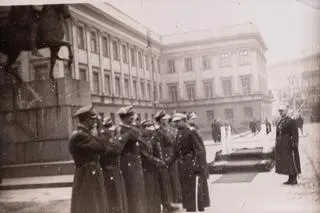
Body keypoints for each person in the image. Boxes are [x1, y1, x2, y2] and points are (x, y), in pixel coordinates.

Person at [69, 105, 109, 213]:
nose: (95, 122)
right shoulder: (79, 136)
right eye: (93, 119)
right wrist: (99, 129)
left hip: (90, 174)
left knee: (95, 205)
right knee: (90, 206)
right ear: (87, 120)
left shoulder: (85, 135)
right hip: (86, 176)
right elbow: (102, 147)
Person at [165, 113, 209, 212]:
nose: (176, 124)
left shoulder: (191, 132)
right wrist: (167, 162)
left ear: (184, 121)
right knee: (186, 190)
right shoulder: (178, 133)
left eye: (178, 122)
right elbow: (176, 152)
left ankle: (194, 209)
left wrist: (198, 166)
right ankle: (190, 209)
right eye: (175, 122)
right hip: (182, 166)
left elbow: (200, 150)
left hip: (191, 164)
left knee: (194, 190)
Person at [117, 105, 147, 213]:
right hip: (129, 165)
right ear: (125, 118)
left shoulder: (129, 129)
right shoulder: (122, 130)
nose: (132, 118)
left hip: (134, 165)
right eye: (131, 116)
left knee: (138, 191)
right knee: (133, 191)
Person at [99, 117, 128, 213]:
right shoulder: (105, 140)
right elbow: (116, 150)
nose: (112, 132)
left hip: (114, 171)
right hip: (109, 172)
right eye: (110, 131)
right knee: (114, 198)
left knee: (118, 197)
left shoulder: (110, 139)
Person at [154, 110, 180, 212]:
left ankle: (172, 200)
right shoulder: (159, 131)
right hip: (165, 155)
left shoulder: (166, 129)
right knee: (166, 180)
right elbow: (160, 145)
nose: (166, 121)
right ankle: (167, 204)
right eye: (164, 119)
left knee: (172, 177)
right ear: (160, 120)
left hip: (171, 154)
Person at [140, 119, 166, 213]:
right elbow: (146, 156)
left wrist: (159, 160)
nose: (151, 130)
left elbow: (156, 152)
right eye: (148, 129)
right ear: (143, 129)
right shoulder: (141, 141)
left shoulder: (152, 138)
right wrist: (158, 161)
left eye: (151, 128)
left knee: (156, 192)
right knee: (150, 193)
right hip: (146, 170)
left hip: (154, 169)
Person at [187, 112, 210, 210]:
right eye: (193, 118)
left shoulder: (195, 129)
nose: (195, 120)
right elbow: (196, 147)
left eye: (195, 118)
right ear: (188, 120)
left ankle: (203, 202)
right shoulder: (192, 131)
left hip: (202, 158)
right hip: (199, 159)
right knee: (199, 182)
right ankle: (200, 204)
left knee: (202, 181)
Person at [275, 105, 301, 185]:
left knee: (291, 161)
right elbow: (278, 133)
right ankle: (290, 178)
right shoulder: (280, 121)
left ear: (286, 111)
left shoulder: (291, 121)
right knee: (286, 162)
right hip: (282, 145)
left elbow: (295, 134)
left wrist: (294, 144)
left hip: (289, 144)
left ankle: (294, 179)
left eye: (282, 111)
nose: (280, 112)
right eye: (279, 111)